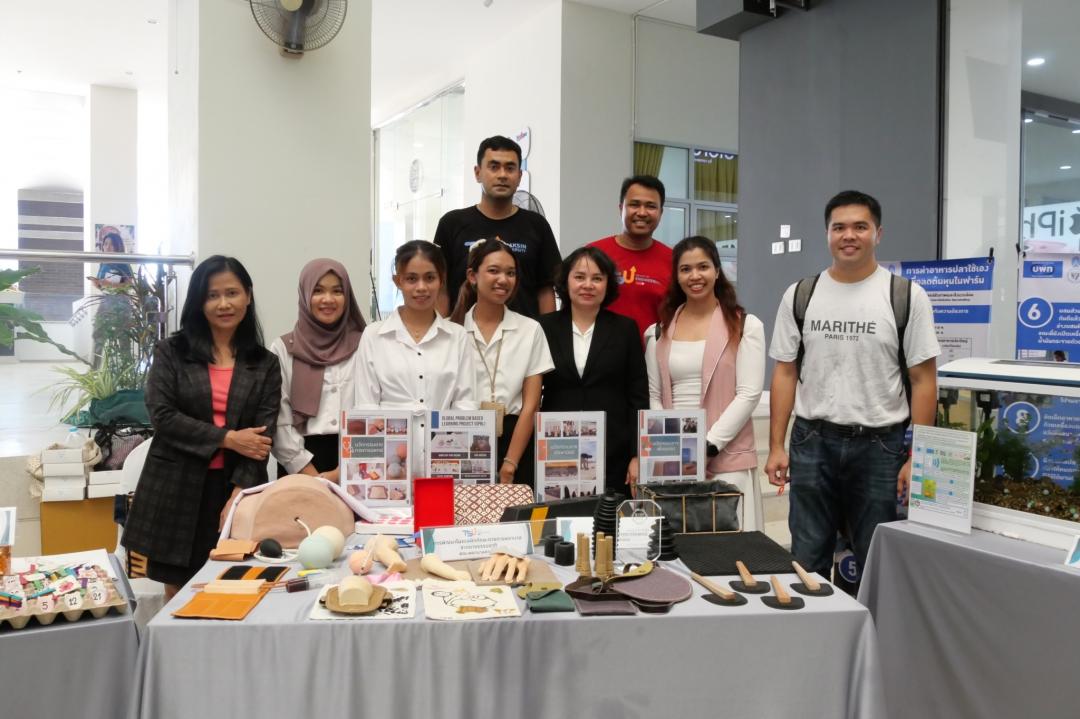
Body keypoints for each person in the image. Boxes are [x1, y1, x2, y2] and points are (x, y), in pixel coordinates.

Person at [765, 190, 940, 581]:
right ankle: (813, 621)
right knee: (806, 556)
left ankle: (874, 623)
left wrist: (918, 456)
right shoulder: (801, 295)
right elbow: (785, 372)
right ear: (827, 234)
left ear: (878, 233)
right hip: (812, 441)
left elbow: (924, 379)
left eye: (860, 227)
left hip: (880, 447)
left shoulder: (906, 296)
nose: (849, 235)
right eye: (839, 227)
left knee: (878, 559)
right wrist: (776, 445)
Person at [122, 256, 281, 599]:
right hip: (176, 486)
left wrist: (239, 496)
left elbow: (262, 437)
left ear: (248, 295)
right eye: (212, 295)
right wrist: (228, 439)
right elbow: (163, 417)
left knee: (236, 586)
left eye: (232, 293)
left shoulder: (265, 363)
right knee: (179, 590)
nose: (223, 304)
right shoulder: (171, 352)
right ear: (199, 301)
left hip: (235, 485)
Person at [644, 236, 766, 530]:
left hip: (726, 456)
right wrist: (674, 447)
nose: (695, 276)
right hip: (674, 459)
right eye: (685, 269)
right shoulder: (658, 331)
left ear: (717, 271)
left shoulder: (745, 326)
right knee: (677, 544)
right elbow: (654, 394)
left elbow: (748, 394)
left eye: (703, 267)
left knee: (728, 545)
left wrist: (707, 446)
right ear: (676, 276)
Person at [355, 241, 477, 477]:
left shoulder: (457, 337)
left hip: (444, 464)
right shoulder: (374, 336)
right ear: (397, 281)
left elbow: (465, 406)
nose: (421, 287)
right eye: (411, 279)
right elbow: (366, 407)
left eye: (429, 278)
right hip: (390, 468)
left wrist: (451, 462)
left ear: (441, 280)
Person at [538, 246, 648, 492]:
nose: (588, 285)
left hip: (614, 452)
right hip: (557, 449)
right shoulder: (543, 327)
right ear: (565, 281)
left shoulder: (625, 329)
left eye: (597, 278)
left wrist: (637, 454)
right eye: (579, 277)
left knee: (610, 516)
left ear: (608, 284)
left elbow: (638, 396)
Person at [451, 238, 554, 487]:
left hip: (517, 441)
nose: (503, 280)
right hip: (460, 437)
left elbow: (531, 405)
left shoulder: (530, 329)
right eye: (493, 271)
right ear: (472, 276)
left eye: (510, 273)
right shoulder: (451, 331)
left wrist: (510, 464)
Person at [435, 135, 562, 320]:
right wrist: (441, 332)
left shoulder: (537, 225)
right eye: (494, 167)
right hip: (462, 333)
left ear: (519, 176)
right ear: (477, 173)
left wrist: (547, 332)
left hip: (524, 335)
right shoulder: (451, 223)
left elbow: (545, 289)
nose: (502, 175)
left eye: (510, 168)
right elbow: (441, 288)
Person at [270, 259, 366, 481]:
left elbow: (375, 411)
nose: (328, 299)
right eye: (318, 290)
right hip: (299, 464)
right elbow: (279, 423)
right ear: (305, 295)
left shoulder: (365, 344)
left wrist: (342, 472)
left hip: (356, 459)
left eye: (337, 291)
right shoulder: (283, 348)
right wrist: (314, 478)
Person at [589, 176, 672, 340]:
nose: (642, 213)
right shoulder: (593, 254)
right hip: (598, 352)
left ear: (661, 212)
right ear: (621, 208)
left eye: (651, 206)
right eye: (634, 204)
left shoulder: (674, 260)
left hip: (653, 353)